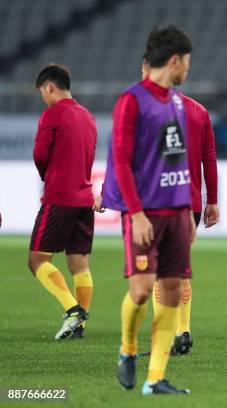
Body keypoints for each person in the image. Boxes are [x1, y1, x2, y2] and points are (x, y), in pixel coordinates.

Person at [102, 25, 195, 395]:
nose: (188, 68)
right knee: (141, 291)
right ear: (174, 60)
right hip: (144, 214)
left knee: (171, 290)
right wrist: (136, 214)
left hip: (176, 212)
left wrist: (187, 208)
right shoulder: (132, 100)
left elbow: (178, 158)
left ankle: (155, 378)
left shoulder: (175, 101)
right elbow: (121, 162)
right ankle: (127, 347)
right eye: (187, 61)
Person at [28, 64, 96, 340]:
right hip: (84, 197)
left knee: (37, 260)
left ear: (49, 87)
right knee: (79, 264)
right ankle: (78, 326)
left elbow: (40, 154)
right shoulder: (87, 116)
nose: (43, 98)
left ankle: (72, 310)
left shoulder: (52, 114)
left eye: (43, 93)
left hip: (60, 196)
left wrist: (50, 175)